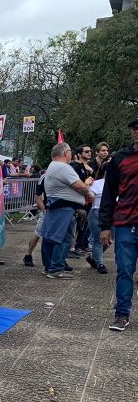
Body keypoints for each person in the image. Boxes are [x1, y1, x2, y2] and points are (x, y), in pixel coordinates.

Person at [99, 116, 138, 331]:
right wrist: (105, 226)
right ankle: (122, 314)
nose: (136, 131)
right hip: (125, 223)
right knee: (124, 270)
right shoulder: (120, 158)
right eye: (134, 128)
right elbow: (108, 193)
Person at [40, 142, 95, 278]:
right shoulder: (63, 167)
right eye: (70, 151)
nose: (71, 154)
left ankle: (49, 267)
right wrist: (88, 191)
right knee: (64, 238)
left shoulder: (53, 165)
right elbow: (79, 186)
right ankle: (56, 269)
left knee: (51, 237)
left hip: (57, 206)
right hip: (64, 208)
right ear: (66, 153)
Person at [86, 171, 108, 274]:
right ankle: (100, 264)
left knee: (109, 240)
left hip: (112, 213)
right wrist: (87, 185)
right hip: (97, 212)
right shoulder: (97, 183)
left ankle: (92, 258)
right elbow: (89, 197)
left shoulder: (118, 183)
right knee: (98, 239)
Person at [23, 170, 46, 267]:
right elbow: (37, 195)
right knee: (38, 233)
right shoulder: (45, 177)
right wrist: (43, 209)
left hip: (60, 211)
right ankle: (28, 254)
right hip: (47, 211)